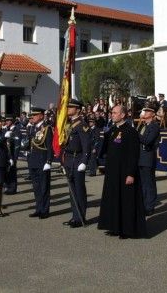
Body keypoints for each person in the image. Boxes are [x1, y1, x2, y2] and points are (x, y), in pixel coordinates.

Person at [98, 105, 146, 239]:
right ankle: (114, 226)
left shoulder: (130, 131)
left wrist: (131, 173)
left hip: (125, 172)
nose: (112, 114)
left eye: (115, 112)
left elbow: (133, 154)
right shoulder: (113, 130)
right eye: (112, 112)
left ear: (123, 115)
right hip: (113, 172)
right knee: (113, 199)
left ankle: (126, 229)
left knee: (125, 201)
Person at [62, 99, 91, 228]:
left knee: (79, 190)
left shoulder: (81, 124)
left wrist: (84, 161)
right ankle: (75, 216)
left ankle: (80, 217)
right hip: (69, 159)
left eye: (71, 107)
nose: (68, 109)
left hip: (77, 159)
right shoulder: (69, 123)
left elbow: (86, 145)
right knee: (72, 190)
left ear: (78, 109)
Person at [27, 107, 53, 219]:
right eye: (32, 115)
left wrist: (49, 161)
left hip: (42, 161)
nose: (32, 117)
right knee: (36, 187)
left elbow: (50, 146)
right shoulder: (32, 128)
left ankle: (44, 210)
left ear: (41, 116)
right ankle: (38, 208)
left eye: (35, 115)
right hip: (33, 161)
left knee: (44, 187)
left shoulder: (47, 128)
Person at [137, 104, 160, 216]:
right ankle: (144, 204)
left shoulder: (154, 126)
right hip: (140, 157)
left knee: (148, 183)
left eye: (147, 111)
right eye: (144, 111)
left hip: (147, 157)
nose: (144, 113)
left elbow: (147, 140)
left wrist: (135, 134)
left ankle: (150, 205)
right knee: (142, 183)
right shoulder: (143, 125)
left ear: (152, 114)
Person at [3, 115, 19, 194]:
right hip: (6, 154)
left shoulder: (16, 129)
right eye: (6, 121)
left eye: (8, 121)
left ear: (11, 121)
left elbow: (17, 144)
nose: (7, 122)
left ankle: (13, 188)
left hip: (12, 154)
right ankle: (7, 186)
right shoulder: (5, 129)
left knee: (12, 172)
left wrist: (15, 157)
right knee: (6, 171)